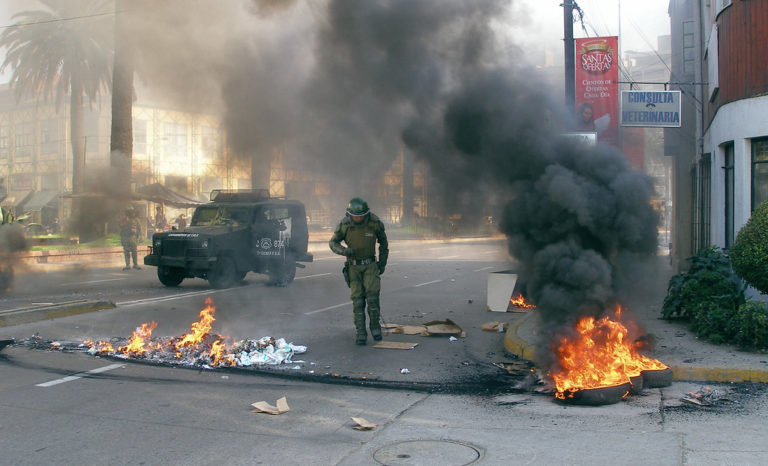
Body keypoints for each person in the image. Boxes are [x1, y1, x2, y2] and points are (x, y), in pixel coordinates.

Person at [329, 197, 389, 345]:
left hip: (370, 265)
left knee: (373, 297)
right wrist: (344, 251)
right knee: (358, 301)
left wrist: (382, 263)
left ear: (366, 214)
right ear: (349, 214)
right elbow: (333, 242)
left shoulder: (374, 224)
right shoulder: (345, 225)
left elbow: (384, 244)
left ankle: (375, 328)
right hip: (353, 266)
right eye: (355, 216)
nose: (358, 218)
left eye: (360, 215)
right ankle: (361, 332)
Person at [120, 206, 142, 271]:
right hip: (125, 237)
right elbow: (121, 227)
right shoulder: (124, 219)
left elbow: (139, 228)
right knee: (126, 251)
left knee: (134, 251)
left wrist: (141, 236)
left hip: (133, 238)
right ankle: (128, 265)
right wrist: (125, 222)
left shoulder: (136, 219)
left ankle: (135, 264)